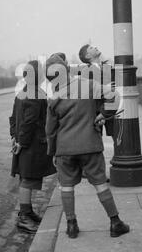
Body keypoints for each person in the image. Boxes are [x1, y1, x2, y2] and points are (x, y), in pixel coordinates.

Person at [45, 54, 129, 238]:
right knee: (100, 183)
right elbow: (113, 95)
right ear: (67, 68)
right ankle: (115, 223)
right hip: (90, 145)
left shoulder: (53, 100)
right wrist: (104, 114)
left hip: (65, 150)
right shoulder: (87, 84)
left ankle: (71, 225)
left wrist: (53, 152)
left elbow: (50, 131)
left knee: (66, 186)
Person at [9, 60, 56, 233]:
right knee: (28, 179)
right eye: (42, 71)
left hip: (24, 143)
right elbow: (29, 123)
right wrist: (22, 142)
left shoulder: (22, 92)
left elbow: (13, 118)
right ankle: (23, 218)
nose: (44, 73)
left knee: (26, 178)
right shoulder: (36, 94)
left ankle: (27, 212)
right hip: (32, 144)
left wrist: (14, 137)